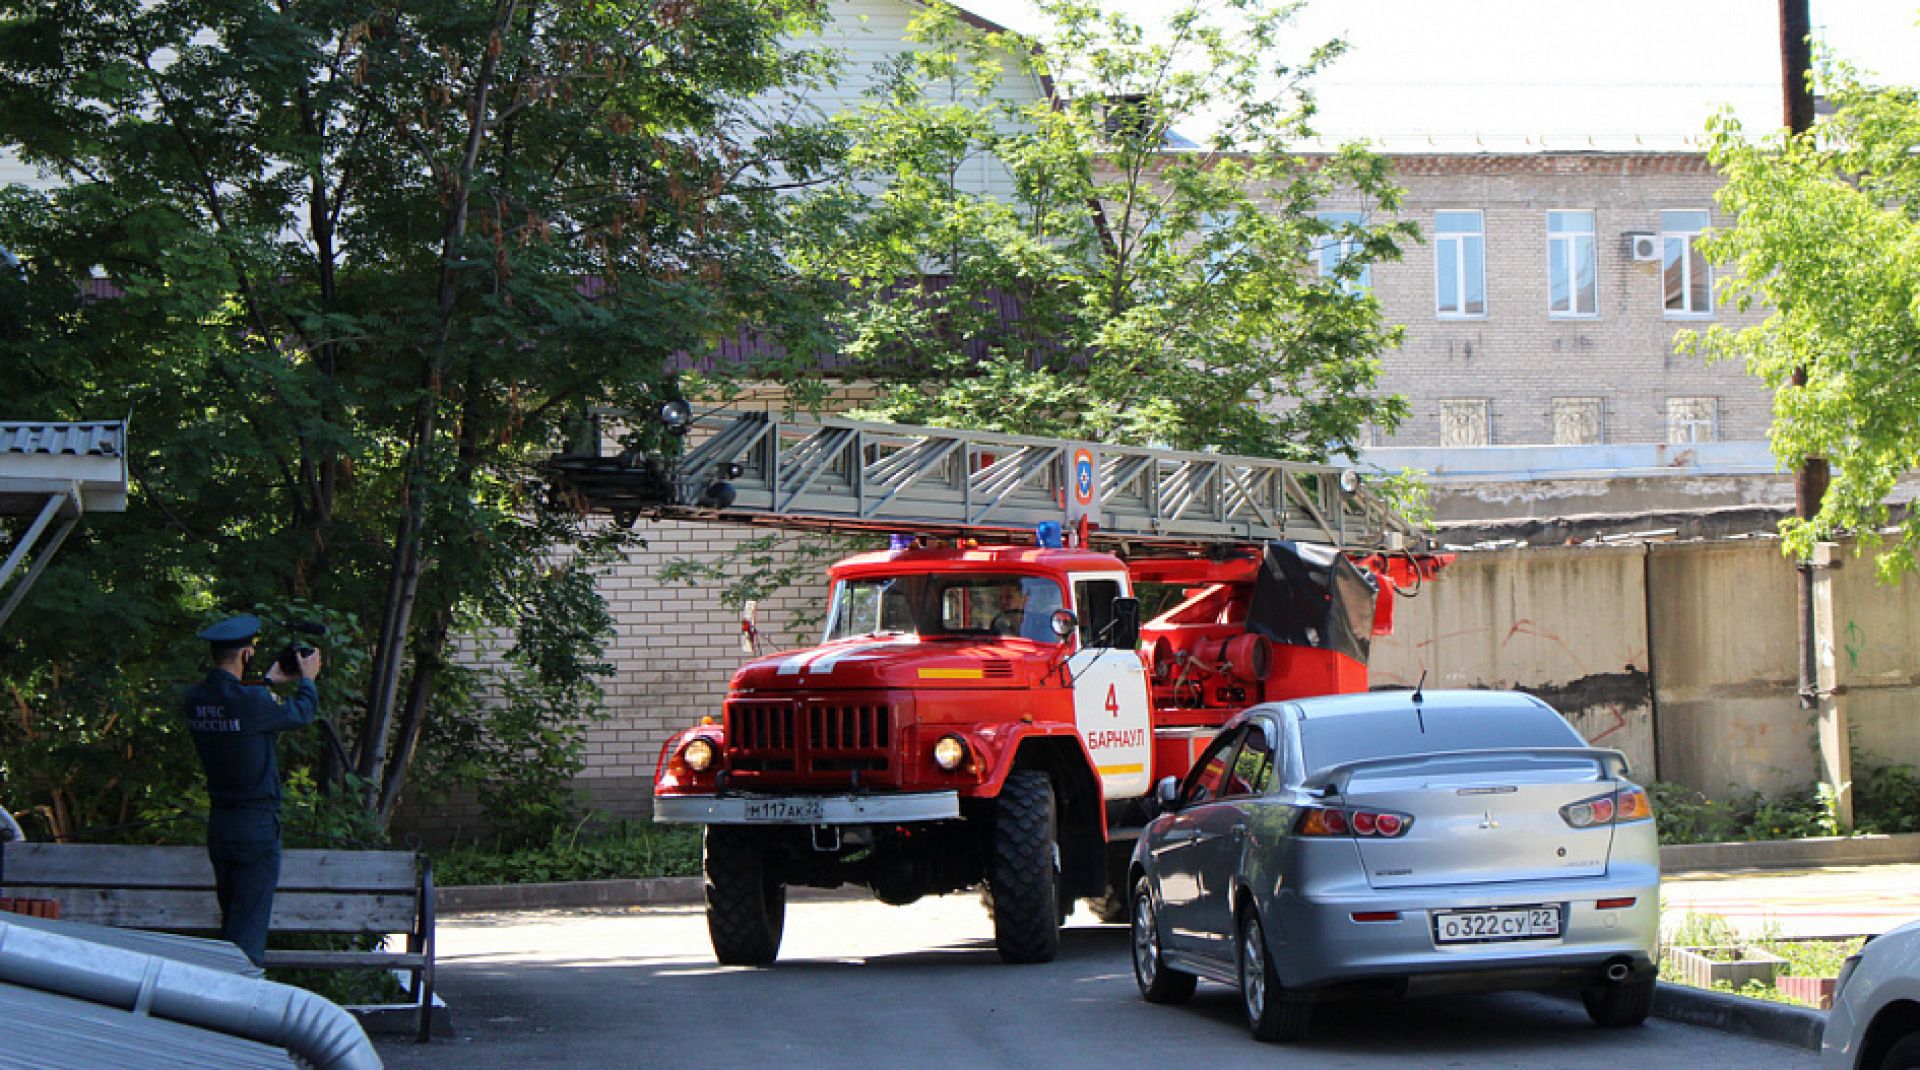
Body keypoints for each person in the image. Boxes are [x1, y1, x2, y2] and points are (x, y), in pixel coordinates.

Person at [184, 614, 322, 967]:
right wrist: (307, 679)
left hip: (222, 826)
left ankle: (223, 1004)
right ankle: (239, 1006)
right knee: (247, 935)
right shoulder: (252, 701)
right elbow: (302, 712)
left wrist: (267, 681)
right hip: (255, 826)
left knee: (233, 920)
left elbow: (236, 709)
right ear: (246, 655)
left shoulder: (196, 699)